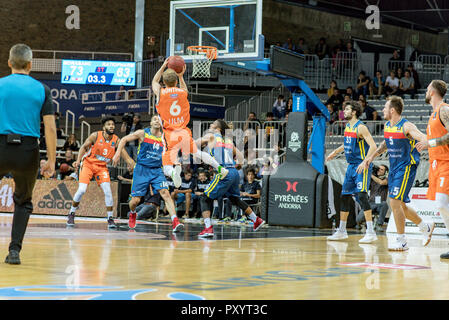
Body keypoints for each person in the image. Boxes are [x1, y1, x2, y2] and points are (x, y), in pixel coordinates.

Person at [0, 43, 56, 264]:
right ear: (30, 65)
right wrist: (51, 160)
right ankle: (14, 251)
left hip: (0, 146)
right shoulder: (43, 89)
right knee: (23, 201)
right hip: (27, 150)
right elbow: (50, 128)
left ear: (9, 63)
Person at [365, 96, 435, 251]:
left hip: (406, 168)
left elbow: (421, 136)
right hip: (394, 168)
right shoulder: (387, 126)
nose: (382, 109)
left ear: (392, 110)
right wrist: (371, 157)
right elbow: (384, 144)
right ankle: (425, 227)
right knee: (401, 205)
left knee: (394, 202)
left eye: (385, 107)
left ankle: (402, 241)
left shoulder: (406, 126)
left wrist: (427, 141)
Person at [151, 59, 229, 189]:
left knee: (166, 166)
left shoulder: (161, 92)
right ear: (176, 81)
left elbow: (154, 81)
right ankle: (220, 168)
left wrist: (163, 66)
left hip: (170, 133)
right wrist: (181, 76)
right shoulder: (182, 93)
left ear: (164, 82)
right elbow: (184, 88)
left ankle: (173, 172)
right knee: (197, 153)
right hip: (184, 131)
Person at [112, 114, 183, 231]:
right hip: (141, 170)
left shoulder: (165, 137)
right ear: (150, 123)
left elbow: (170, 151)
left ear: (161, 123)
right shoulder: (142, 133)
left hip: (156, 170)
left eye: (159, 119)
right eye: (154, 119)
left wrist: (176, 161)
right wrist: (117, 153)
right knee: (135, 201)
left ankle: (175, 221)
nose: (157, 121)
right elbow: (124, 139)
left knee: (165, 193)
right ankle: (133, 212)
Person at [195, 120, 265, 237]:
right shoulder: (228, 141)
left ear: (217, 128)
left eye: (213, 124)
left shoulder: (211, 136)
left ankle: (208, 228)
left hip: (224, 172)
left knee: (204, 198)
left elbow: (195, 143)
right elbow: (241, 158)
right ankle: (256, 219)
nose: (211, 125)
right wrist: (236, 165)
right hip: (234, 172)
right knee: (234, 199)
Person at [326, 100, 379, 243]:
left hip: (362, 166)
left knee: (362, 196)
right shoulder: (347, 127)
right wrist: (335, 152)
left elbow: (373, 146)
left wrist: (365, 161)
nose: (344, 112)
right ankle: (342, 231)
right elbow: (347, 143)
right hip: (351, 166)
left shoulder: (361, 127)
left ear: (354, 112)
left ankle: (370, 232)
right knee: (344, 197)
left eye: (347, 109)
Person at [66, 117, 129, 228]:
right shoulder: (95, 135)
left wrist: (130, 162)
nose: (111, 126)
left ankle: (110, 218)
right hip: (88, 164)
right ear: (104, 127)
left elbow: (123, 152)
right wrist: (77, 161)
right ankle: (71, 213)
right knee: (82, 190)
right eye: (109, 124)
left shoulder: (116, 139)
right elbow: (84, 147)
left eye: (113, 124)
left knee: (108, 191)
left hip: (102, 167)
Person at [416, 80, 449, 259]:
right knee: (441, 205)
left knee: (442, 204)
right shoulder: (433, 114)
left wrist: (430, 143)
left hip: (446, 162)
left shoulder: (444, 109)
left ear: (433, 92)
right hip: (435, 164)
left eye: (427, 89)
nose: (426, 92)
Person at [356, 165, 389, 231]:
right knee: (358, 219)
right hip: (370, 203)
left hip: (380, 204)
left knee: (385, 204)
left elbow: (381, 182)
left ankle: (379, 224)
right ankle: (362, 223)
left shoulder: (387, 179)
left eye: (382, 169)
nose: (379, 170)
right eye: (379, 169)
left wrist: (370, 175)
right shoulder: (372, 179)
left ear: (385, 172)